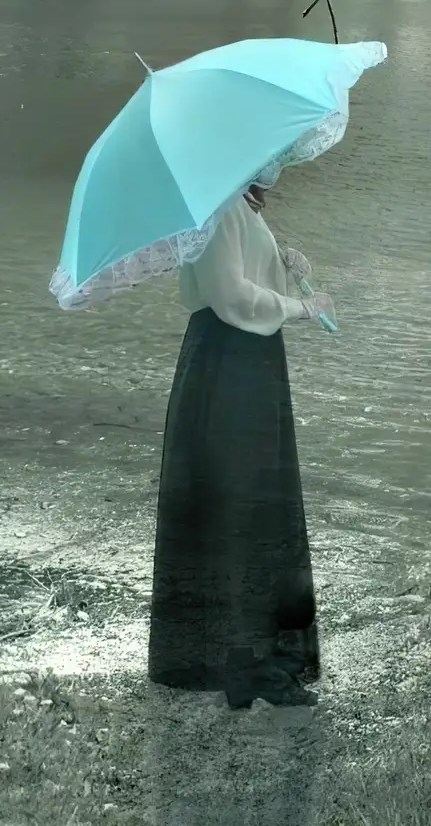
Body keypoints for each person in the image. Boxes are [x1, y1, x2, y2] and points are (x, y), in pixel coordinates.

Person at [147, 169, 336, 709]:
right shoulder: (221, 209)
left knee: (255, 501)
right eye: (273, 157)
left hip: (244, 361)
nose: (279, 166)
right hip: (230, 365)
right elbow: (229, 295)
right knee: (239, 502)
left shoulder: (237, 205)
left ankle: (252, 653)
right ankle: (243, 663)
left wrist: (281, 264)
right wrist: (302, 308)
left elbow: (239, 279)